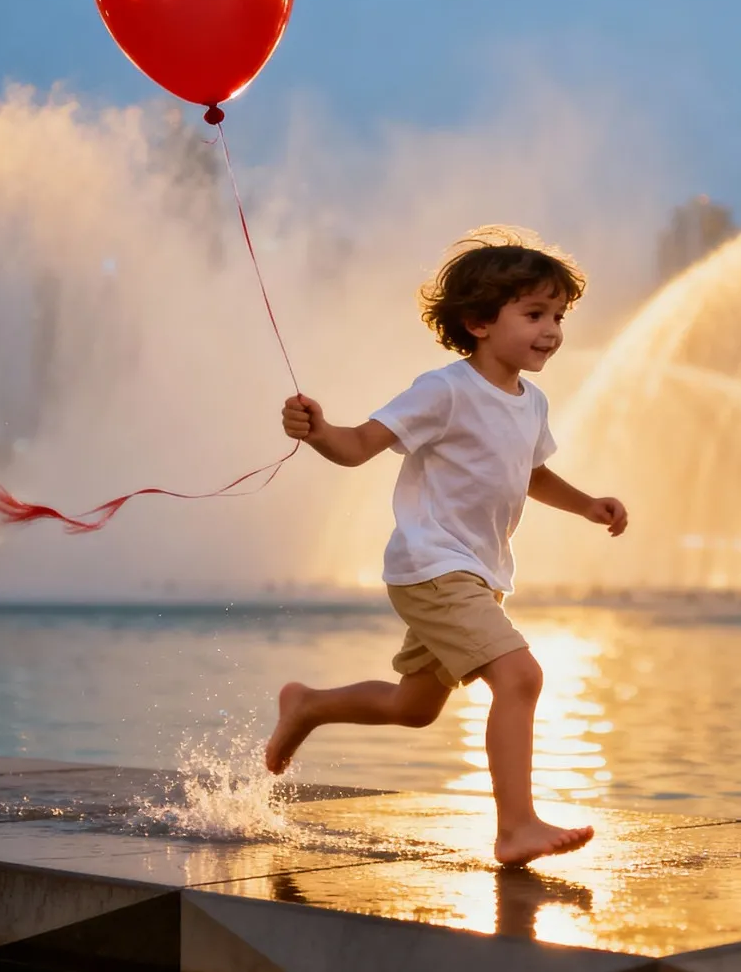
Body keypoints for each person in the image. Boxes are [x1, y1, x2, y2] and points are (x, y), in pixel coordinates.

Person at [264, 228, 628, 867]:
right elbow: (358, 446)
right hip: (433, 566)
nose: (551, 331)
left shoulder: (531, 402)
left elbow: (531, 473)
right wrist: (319, 431)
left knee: (414, 707)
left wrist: (586, 504)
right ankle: (516, 827)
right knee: (521, 676)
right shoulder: (444, 390)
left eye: (558, 317)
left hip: (477, 572)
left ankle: (308, 705)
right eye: (534, 314)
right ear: (479, 323)